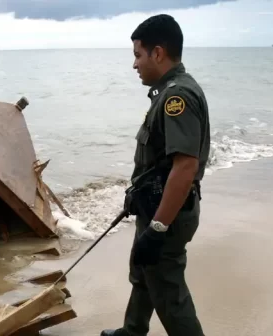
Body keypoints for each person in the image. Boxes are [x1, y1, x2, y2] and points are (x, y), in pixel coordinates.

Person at [101, 14, 210, 336]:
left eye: (138, 55)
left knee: (169, 294)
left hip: (169, 214)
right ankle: (133, 330)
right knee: (143, 271)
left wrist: (158, 228)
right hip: (155, 206)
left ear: (158, 53)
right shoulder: (167, 92)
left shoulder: (177, 98)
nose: (135, 65)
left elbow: (185, 166)